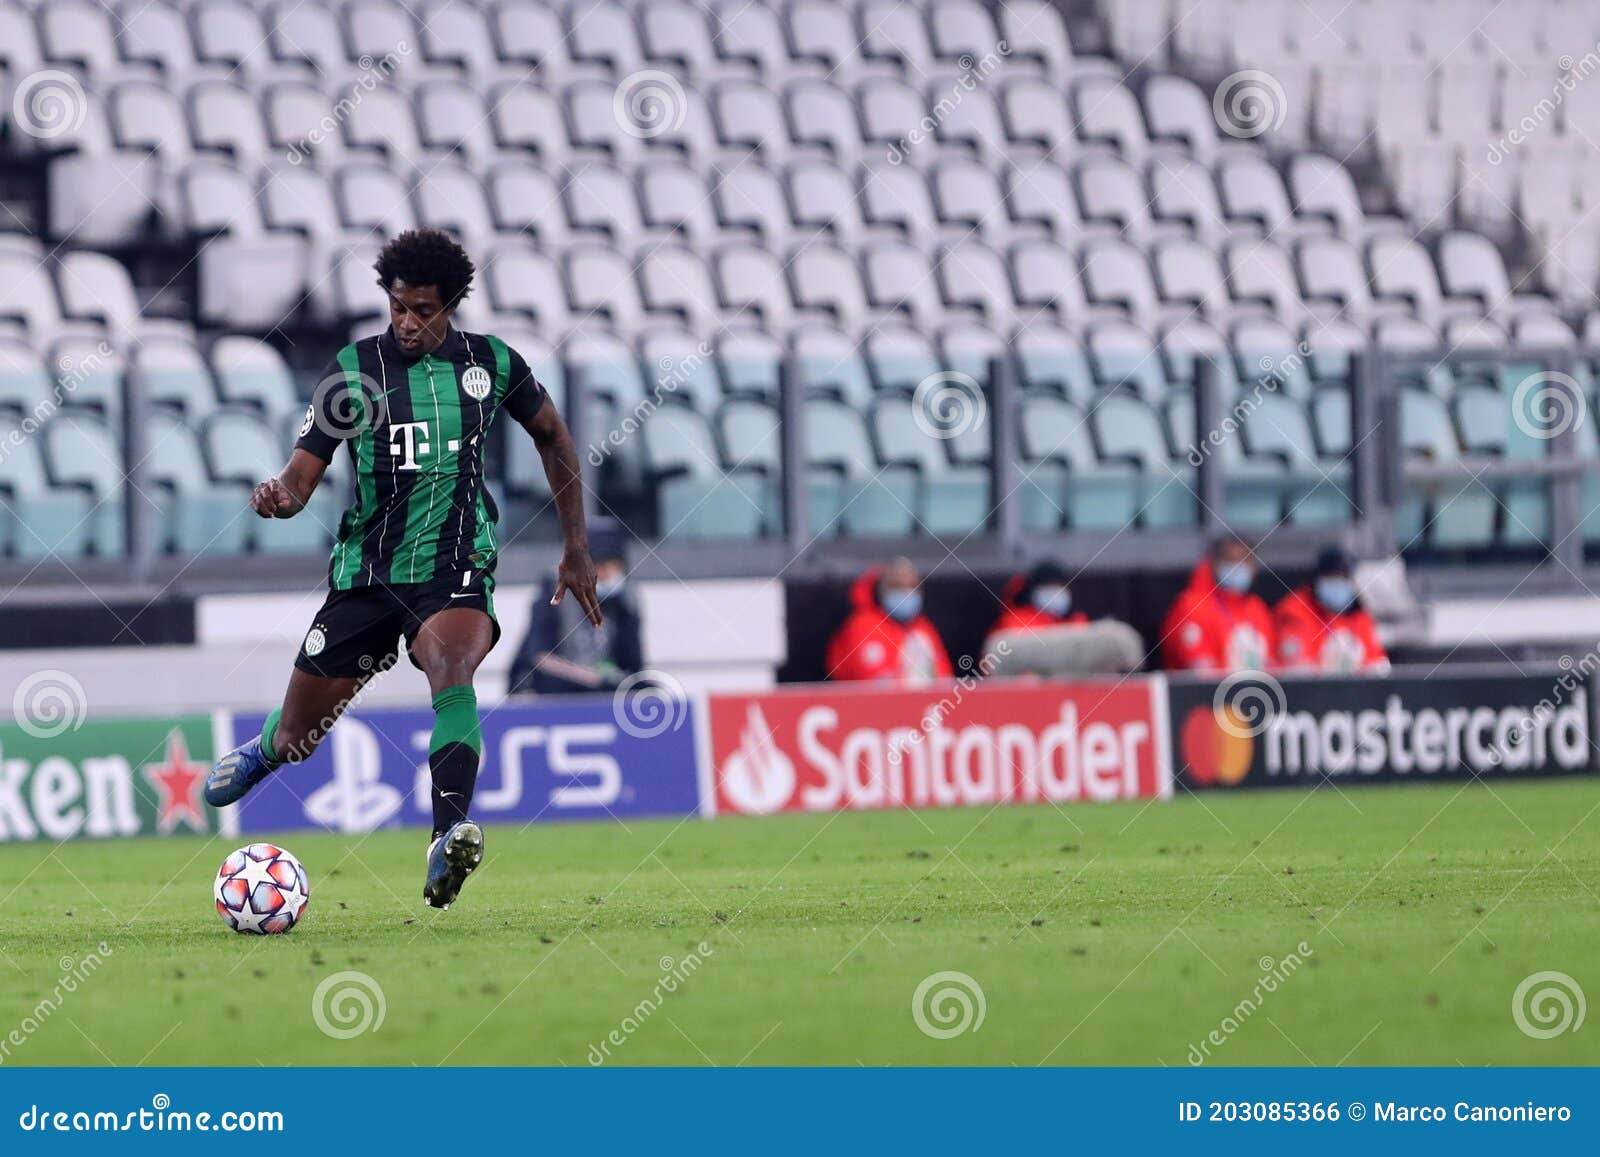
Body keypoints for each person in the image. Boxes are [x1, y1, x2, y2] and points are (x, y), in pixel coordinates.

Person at [202, 228, 602, 911]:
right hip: (367, 574)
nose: (408, 321)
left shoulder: (492, 364)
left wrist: (577, 547)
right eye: (398, 307)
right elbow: (302, 480)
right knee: (303, 736)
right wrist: (279, 497)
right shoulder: (352, 371)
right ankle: (268, 747)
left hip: (456, 563)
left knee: (452, 665)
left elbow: (554, 436)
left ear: (450, 307)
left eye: (422, 309)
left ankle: (448, 836)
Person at [508, 519, 643, 694]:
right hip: (554, 690)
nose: (606, 574)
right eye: (599, 567)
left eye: (613, 567)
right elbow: (539, 657)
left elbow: (633, 665)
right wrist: (595, 679)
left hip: (605, 692)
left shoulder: (626, 599)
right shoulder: (554, 590)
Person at [825, 558, 952, 685]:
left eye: (912, 586)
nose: (906, 593)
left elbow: (945, 679)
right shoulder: (862, 625)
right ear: (881, 589)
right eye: (897, 586)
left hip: (926, 702)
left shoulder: (923, 628)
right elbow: (870, 682)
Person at [1161, 536, 1275, 672]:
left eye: (1244, 560)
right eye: (1230, 560)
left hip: (1256, 690)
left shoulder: (1257, 607)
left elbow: (1271, 663)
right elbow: (1199, 669)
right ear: (1215, 564)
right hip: (1205, 691)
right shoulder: (1192, 605)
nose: (1237, 566)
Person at [1275, 546, 1389, 672]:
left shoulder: (1359, 615)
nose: (1337, 583)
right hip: (1314, 689)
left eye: (1343, 577)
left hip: (1355, 689)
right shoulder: (1296, 610)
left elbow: (1378, 665)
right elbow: (1297, 667)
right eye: (1332, 577)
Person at [986, 561, 1088, 649]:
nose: (1054, 593)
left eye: (1059, 586)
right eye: (1048, 586)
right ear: (1033, 591)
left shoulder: (1077, 622)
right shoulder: (1014, 623)